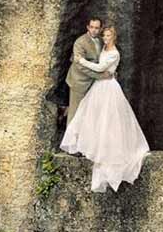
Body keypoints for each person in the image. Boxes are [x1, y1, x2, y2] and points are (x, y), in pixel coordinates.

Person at [60, 25, 150, 192]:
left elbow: (101, 68)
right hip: (98, 86)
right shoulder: (100, 46)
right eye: (104, 35)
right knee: (90, 116)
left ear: (113, 37)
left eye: (108, 36)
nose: (106, 38)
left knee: (109, 119)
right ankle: (86, 144)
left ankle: (107, 149)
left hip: (108, 86)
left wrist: (80, 60)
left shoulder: (114, 52)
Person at [64, 17, 114, 123]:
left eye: (96, 28)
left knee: (89, 113)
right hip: (79, 82)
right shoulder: (80, 42)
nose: (94, 30)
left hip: (94, 83)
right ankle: (71, 139)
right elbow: (80, 66)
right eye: (91, 27)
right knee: (75, 113)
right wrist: (101, 76)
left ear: (100, 29)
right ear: (87, 27)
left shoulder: (102, 41)